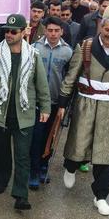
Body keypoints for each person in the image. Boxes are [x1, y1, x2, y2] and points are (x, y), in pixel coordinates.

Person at [58, 4, 109, 215]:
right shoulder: (86, 47)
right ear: (101, 25)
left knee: (108, 153)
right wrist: (63, 103)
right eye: (107, 30)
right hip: (86, 103)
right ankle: (70, 166)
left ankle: (101, 195)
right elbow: (71, 76)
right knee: (78, 142)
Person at [0, 14, 51, 211]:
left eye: (13, 31)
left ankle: (20, 195)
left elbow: (41, 84)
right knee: (2, 152)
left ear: (23, 32)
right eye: (6, 31)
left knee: (22, 155)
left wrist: (45, 107)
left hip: (24, 113)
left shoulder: (33, 55)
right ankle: (1, 180)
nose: (8, 34)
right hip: (1, 112)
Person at [29, 16, 72, 190]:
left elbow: (69, 79)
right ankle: (33, 170)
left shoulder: (68, 52)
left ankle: (44, 166)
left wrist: (64, 103)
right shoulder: (35, 48)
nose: (53, 34)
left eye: (57, 31)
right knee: (36, 137)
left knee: (50, 136)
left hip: (55, 102)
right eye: (50, 30)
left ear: (61, 31)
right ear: (45, 30)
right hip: (37, 102)